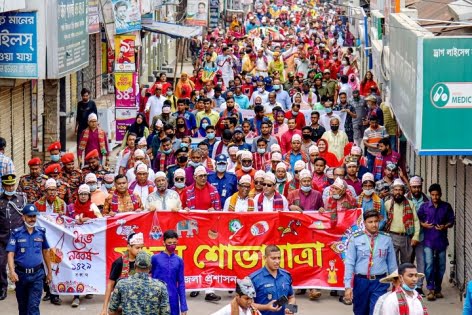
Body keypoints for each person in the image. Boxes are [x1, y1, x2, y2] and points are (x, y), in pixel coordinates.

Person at [344, 210, 398, 314]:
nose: (374, 224)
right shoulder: (355, 239)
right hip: (361, 281)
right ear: (364, 223)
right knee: (360, 311)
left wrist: (396, 284)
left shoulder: (386, 239)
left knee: (376, 311)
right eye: (370, 222)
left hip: (380, 282)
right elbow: (350, 263)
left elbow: (392, 264)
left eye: (376, 221)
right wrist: (347, 287)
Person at [7, 204, 53, 315]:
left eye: (34, 216)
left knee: (33, 308)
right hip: (21, 276)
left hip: (37, 275)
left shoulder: (41, 232)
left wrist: (49, 272)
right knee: (23, 309)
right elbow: (10, 254)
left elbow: (46, 252)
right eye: (29, 216)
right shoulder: (16, 233)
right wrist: (12, 272)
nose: (32, 219)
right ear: (23, 217)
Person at [417, 183, 455, 301]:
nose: (435, 197)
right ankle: (430, 289)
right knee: (429, 265)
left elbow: (451, 221)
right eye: (433, 195)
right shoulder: (424, 207)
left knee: (441, 266)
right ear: (430, 195)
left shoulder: (446, 207)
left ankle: (438, 288)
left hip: (441, 241)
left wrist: (444, 226)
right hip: (428, 241)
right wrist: (423, 224)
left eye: (437, 195)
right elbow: (417, 220)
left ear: (440, 195)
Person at [100, 232, 145, 315]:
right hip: (121, 305)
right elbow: (110, 285)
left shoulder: (143, 262)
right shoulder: (119, 263)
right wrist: (104, 308)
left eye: (142, 247)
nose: (140, 250)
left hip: (138, 305)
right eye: (137, 248)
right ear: (128, 247)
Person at [0, 174, 27, 300]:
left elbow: (28, 216)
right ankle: (2, 288)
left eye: (12, 185)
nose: (10, 188)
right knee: (1, 264)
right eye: (7, 185)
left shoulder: (22, 198)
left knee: (20, 263)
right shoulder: (0, 200)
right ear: (3, 185)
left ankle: (21, 286)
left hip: (18, 238)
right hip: (3, 237)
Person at [250, 245, 295, 315]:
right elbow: (247, 304)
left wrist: (291, 309)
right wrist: (266, 307)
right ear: (265, 258)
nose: (277, 261)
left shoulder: (286, 275)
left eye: (279, 258)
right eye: (273, 258)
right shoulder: (254, 279)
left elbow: (291, 297)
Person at [151, 230, 188, 315]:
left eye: (174, 243)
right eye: (169, 243)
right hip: (156, 298)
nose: (172, 245)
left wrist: (183, 306)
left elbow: (181, 283)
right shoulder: (155, 259)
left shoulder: (179, 260)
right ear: (163, 242)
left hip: (173, 299)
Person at [384, 179, 420, 265]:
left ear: (403, 191)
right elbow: (383, 221)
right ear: (392, 191)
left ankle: (404, 279)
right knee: (393, 264)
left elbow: (416, 220)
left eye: (400, 190)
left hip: (406, 237)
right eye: (396, 190)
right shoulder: (387, 204)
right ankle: (396, 279)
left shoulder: (410, 204)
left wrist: (416, 237)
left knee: (407, 265)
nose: (398, 192)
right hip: (391, 237)